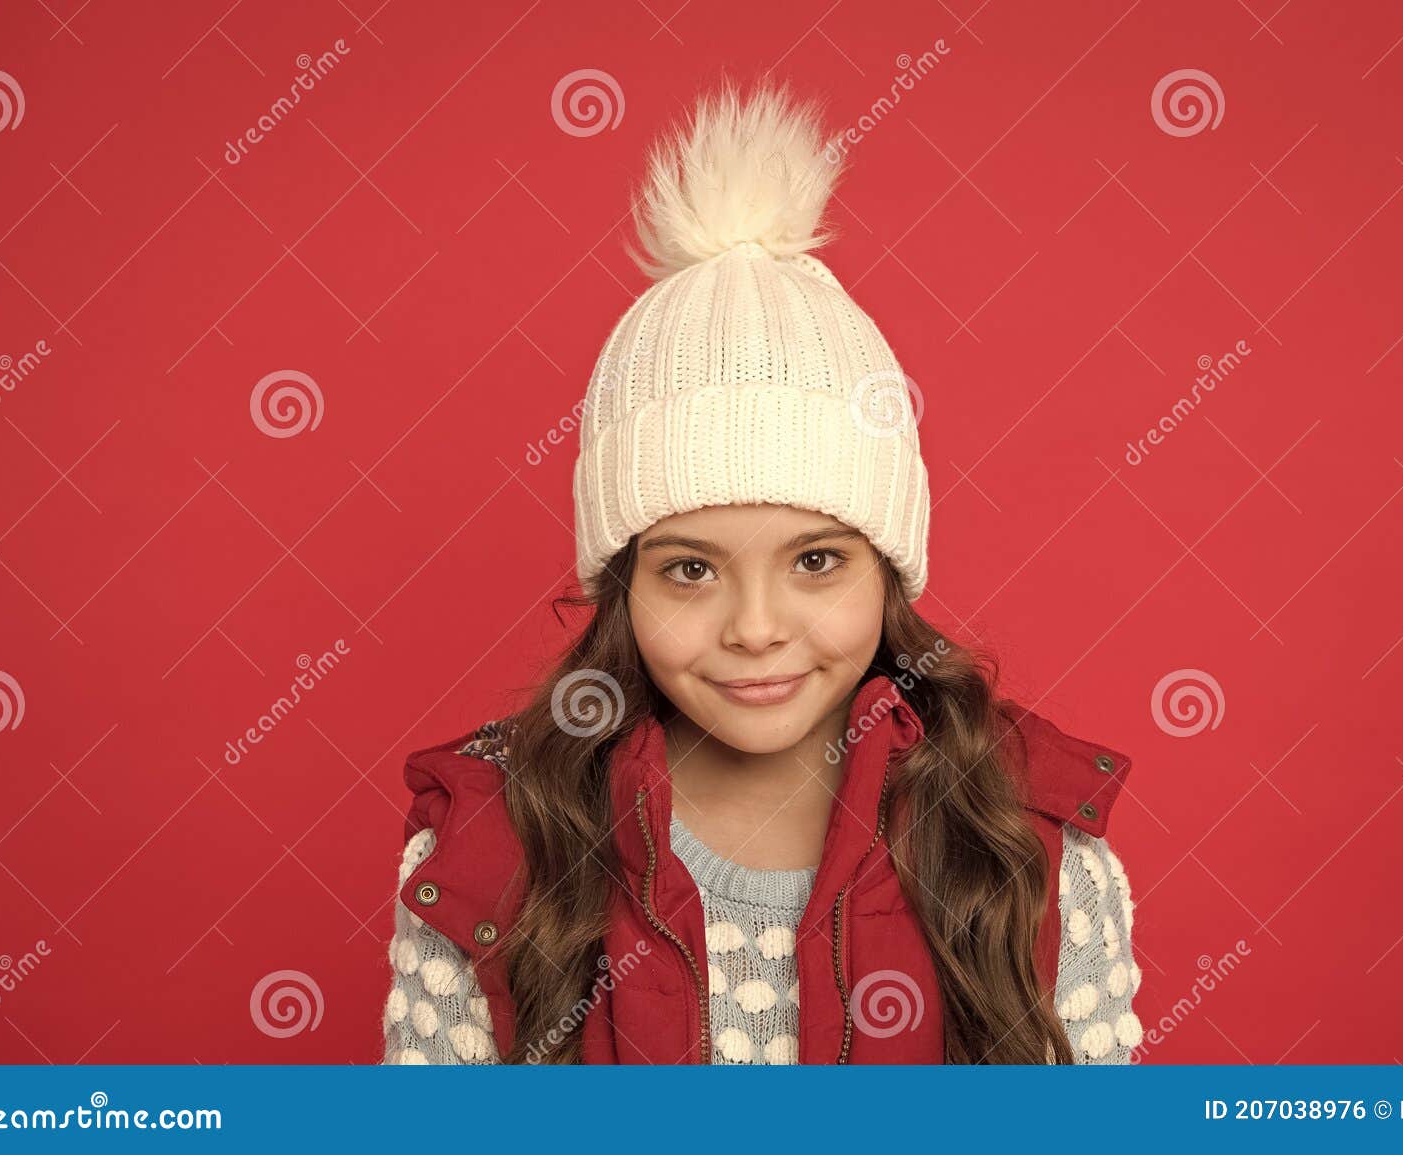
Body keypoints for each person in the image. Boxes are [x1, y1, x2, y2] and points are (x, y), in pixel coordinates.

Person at [381, 80, 1142, 1065]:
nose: (753, 627)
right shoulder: (490, 853)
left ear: (888, 575)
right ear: (622, 587)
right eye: (690, 570)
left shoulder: (1027, 847)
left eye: (815, 561)